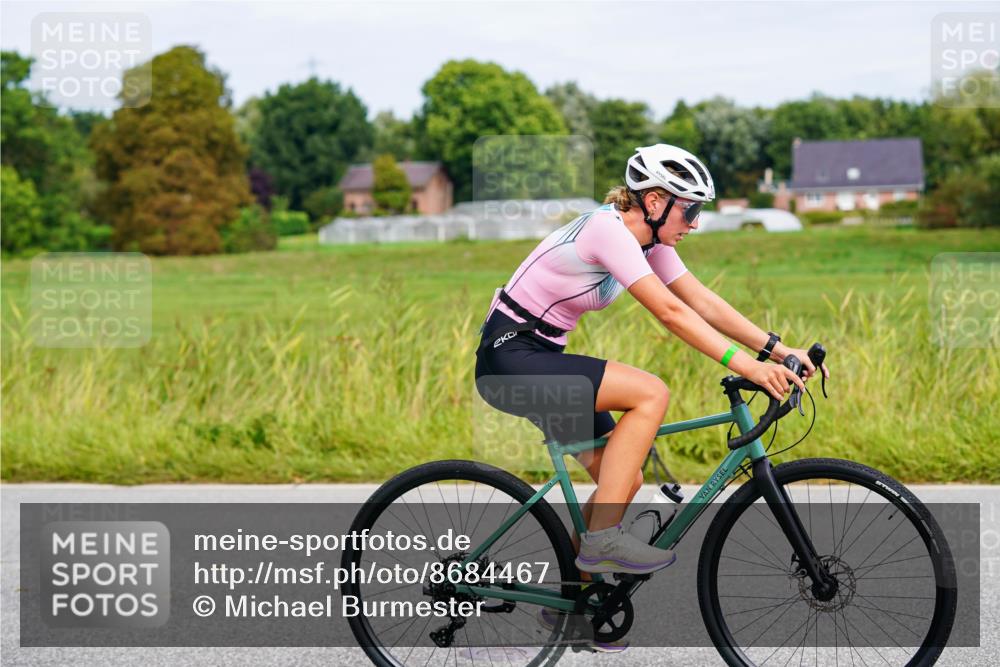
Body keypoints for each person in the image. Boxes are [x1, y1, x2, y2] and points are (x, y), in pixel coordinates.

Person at [475, 143, 829, 579]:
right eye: (691, 210)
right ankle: (601, 544)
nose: (695, 224)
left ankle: (577, 606)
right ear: (656, 202)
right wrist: (750, 368)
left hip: (541, 358)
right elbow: (671, 312)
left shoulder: (650, 242)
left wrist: (777, 350)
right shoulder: (607, 232)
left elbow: (702, 301)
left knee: (622, 479)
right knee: (650, 393)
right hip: (510, 357)